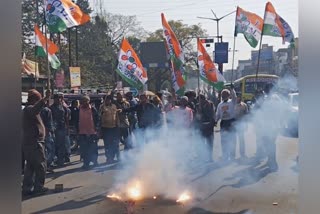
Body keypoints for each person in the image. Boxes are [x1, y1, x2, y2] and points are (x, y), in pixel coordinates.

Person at [22, 89, 51, 196]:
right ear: (34, 99)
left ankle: (27, 188)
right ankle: (39, 187)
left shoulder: (27, 110)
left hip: (30, 143)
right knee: (40, 165)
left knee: (30, 166)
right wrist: (45, 98)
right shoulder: (30, 109)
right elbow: (36, 109)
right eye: (37, 99)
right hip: (35, 142)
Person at [76, 95, 100, 169]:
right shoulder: (78, 109)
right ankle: (86, 163)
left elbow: (98, 119)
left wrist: (97, 129)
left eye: (85, 101)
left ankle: (95, 161)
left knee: (93, 148)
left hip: (92, 132)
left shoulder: (93, 109)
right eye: (82, 101)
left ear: (88, 101)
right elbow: (76, 120)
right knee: (84, 149)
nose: (84, 102)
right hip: (82, 132)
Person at [215, 85, 237, 162]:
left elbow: (234, 97)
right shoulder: (220, 104)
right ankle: (225, 155)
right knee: (224, 140)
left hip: (231, 122)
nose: (223, 96)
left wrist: (232, 89)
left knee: (232, 139)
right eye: (222, 95)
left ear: (228, 95)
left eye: (225, 94)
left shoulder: (232, 102)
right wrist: (216, 121)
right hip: (223, 123)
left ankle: (232, 156)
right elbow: (217, 114)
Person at [50, 93, 70, 166]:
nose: (58, 100)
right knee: (55, 145)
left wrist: (67, 128)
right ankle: (56, 159)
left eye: (59, 98)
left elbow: (66, 119)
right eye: (56, 98)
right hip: (54, 129)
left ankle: (61, 160)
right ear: (54, 99)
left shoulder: (64, 108)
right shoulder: (51, 108)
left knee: (63, 145)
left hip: (62, 128)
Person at [100, 95, 120, 164]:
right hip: (106, 128)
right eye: (106, 100)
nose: (108, 101)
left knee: (115, 144)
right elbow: (100, 116)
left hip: (114, 127)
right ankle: (109, 158)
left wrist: (118, 124)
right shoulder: (102, 107)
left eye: (109, 99)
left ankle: (115, 157)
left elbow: (116, 116)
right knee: (107, 145)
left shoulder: (114, 106)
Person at [195, 94, 215, 162]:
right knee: (202, 142)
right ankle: (203, 157)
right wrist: (199, 112)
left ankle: (210, 157)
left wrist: (203, 110)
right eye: (198, 100)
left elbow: (211, 114)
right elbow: (197, 117)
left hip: (209, 125)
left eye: (201, 100)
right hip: (201, 126)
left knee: (210, 142)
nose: (199, 102)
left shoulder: (210, 104)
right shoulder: (197, 106)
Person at [40, 102, 55, 172]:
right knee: (50, 150)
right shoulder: (47, 110)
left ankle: (43, 166)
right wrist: (51, 131)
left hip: (38, 134)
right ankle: (47, 165)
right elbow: (49, 123)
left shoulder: (32, 110)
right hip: (46, 133)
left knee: (42, 151)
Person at [234, 94, 249, 160]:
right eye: (237, 97)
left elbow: (246, 115)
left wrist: (246, 124)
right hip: (234, 124)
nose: (238, 98)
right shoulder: (232, 105)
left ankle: (242, 154)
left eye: (239, 97)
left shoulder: (244, 105)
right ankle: (232, 155)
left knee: (241, 140)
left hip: (241, 124)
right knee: (233, 140)